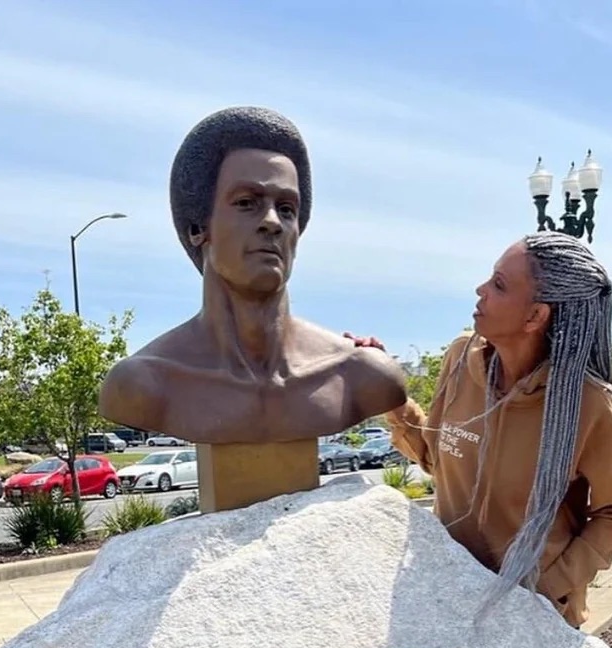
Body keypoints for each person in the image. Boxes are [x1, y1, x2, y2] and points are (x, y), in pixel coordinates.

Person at [359, 232, 612, 628]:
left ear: (534, 316)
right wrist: (391, 397)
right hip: (450, 598)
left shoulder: (588, 404)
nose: (480, 290)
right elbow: (433, 456)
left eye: (499, 284)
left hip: (536, 617)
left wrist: (546, 587)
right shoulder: (460, 358)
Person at [99, 106, 407, 444]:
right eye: (247, 202)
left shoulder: (360, 375)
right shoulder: (144, 384)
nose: (273, 222)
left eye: (287, 209)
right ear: (197, 228)